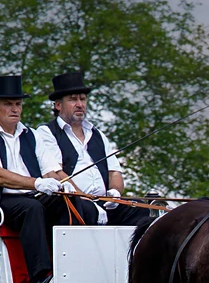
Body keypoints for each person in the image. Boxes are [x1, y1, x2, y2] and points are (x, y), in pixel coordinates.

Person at [0, 72, 64, 283]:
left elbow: (51, 171)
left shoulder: (32, 135)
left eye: (18, 104)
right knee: (32, 208)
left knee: (67, 205)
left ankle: (70, 268)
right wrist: (37, 184)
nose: (15, 109)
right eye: (8, 104)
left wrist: (64, 186)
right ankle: (40, 277)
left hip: (30, 195)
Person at [31, 69, 156, 231]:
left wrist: (115, 193)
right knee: (87, 210)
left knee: (140, 209)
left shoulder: (98, 134)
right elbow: (57, 174)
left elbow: (114, 172)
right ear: (58, 105)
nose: (80, 104)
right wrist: (86, 200)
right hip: (72, 201)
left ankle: (132, 255)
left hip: (103, 201)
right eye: (73, 99)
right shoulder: (47, 133)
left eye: (83, 99)